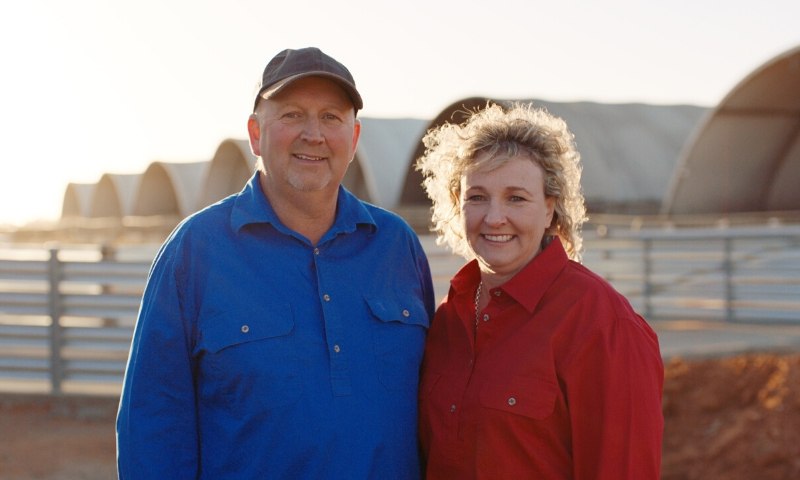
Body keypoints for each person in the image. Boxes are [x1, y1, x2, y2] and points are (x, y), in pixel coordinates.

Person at [116, 47, 436, 479]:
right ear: (254, 133)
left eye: (331, 117)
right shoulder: (195, 251)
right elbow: (152, 425)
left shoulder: (397, 246)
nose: (313, 134)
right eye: (291, 115)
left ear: (354, 137)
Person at [416, 102, 664, 479]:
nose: (494, 217)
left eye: (516, 198)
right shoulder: (450, 317)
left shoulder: (602, 324)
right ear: (457, 204)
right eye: (477, 196)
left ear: (550, 209)